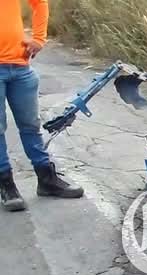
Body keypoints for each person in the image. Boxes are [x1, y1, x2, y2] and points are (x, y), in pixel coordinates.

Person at [1, 0, 83, 212]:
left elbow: (39, 3)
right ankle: (7, 185)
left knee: (30, 125)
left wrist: (38, 38)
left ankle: (46, 179)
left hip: (20, 65)